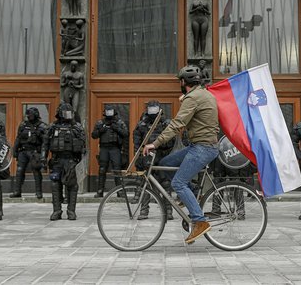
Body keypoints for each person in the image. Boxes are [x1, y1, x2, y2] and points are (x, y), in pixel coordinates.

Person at [143, 65, 219, 245]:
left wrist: (155, 143)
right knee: (167, 162)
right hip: (199, 145)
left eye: (180, 81)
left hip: (204, 147)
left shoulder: (193, 97)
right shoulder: (204, 94)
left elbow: (177, 124)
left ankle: (199, 222)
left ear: (184, 82)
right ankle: (192, 193)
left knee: (178, 182)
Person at [42, 103, 86, 221]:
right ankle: (57, 210)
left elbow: (83, 146)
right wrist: (43, 158)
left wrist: (81, 163)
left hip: (71, 160)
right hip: (57, 160)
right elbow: (45, 144)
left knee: (72, 185)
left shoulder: (77, 127)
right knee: (55, 185)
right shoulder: (52, 127)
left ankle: (71, 211)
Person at [133, 101, 175, 220]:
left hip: (163, 156)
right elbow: (137, 144)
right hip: (147, 156)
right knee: (146, 184)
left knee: (165, 184)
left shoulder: (166, 123)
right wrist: (138, 159)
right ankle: (144, 211)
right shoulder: (142, 125)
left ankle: (168, 210)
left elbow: (173, 141)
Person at [10, 107, 47, 199]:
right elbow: (18, 138)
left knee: (36, 170)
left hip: (35, 151)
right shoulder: (23, 125)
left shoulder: (42, 126)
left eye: (30, 115)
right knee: (19, 170)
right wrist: (14, 150)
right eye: (28, 115)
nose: (28, 117)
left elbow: (45, 142)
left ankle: (38, 192)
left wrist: (43, 155)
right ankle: (17, 191)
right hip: (23, 151)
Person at [92, 107, 128, 197]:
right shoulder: (100, 123)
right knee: (102, 170)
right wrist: (100, 131)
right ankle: (100, 191)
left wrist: (116, 129)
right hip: (104, 148)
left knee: (117, 170)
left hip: (115, 148)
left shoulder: (119, 122)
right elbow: (93, 135)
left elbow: (126, 133)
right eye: (107, 112)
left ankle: (120, 191)